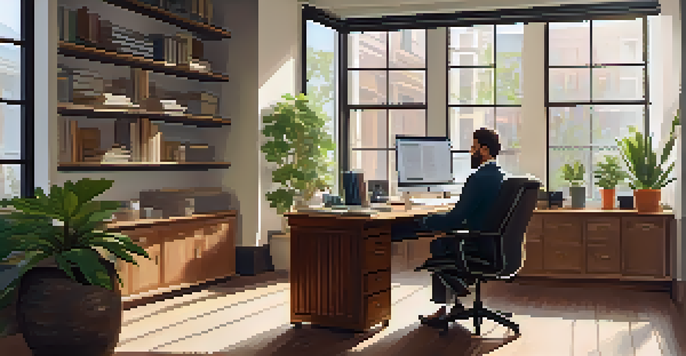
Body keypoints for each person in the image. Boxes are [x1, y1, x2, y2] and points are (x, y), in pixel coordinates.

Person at [418, 128, 505, 324]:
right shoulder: (501, 176)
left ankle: (449, 302)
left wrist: (425, 221)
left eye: (473, 147)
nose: (470, 152)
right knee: (448, 241)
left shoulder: (478, 179)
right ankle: (456, 301)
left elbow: (456, 218)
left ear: (483, 150)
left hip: (479, 244)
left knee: (440, 245)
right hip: (496, 245)